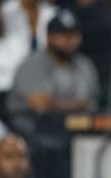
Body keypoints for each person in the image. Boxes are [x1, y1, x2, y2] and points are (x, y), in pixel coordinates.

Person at [7, 9, 100, 138]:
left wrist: (55, 103)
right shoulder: (32, 65)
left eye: (74, 34)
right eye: (63, 35)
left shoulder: (85, 65)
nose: (70, 40)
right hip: (32, 134)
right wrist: (80, 104)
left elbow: (92, 104)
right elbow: (40, 105)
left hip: (74, 136)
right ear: (49, 37)